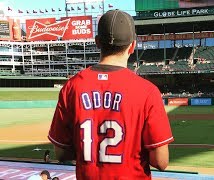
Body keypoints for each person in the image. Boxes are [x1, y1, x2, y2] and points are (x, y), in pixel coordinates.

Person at [48, 9, 174, 180]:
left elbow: (61, 153)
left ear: (97, 42)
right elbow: (161, 161)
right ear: (132, 46)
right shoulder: (148, 91)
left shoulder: (71, 87)